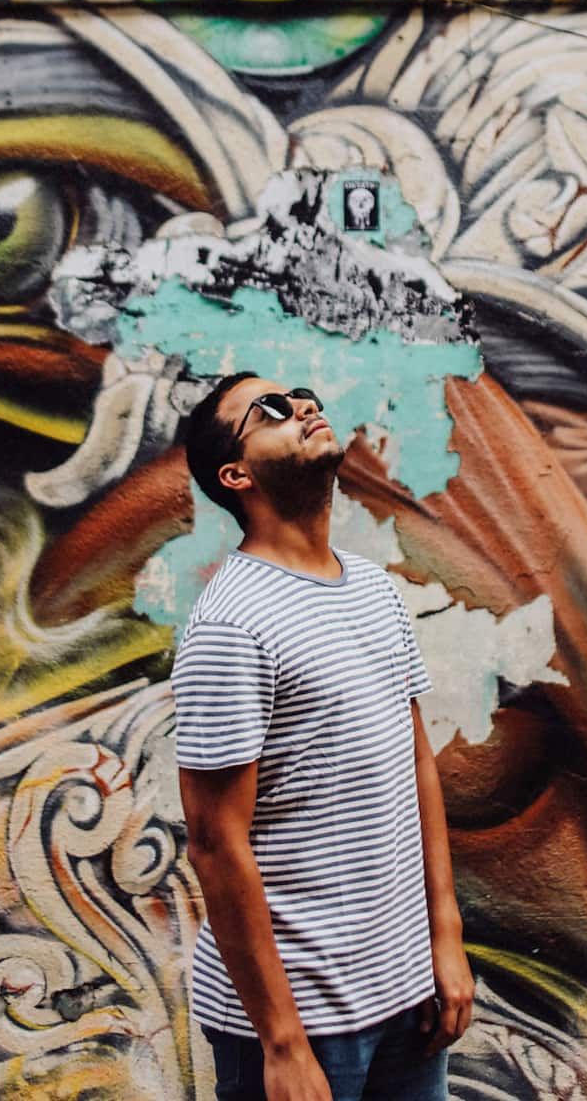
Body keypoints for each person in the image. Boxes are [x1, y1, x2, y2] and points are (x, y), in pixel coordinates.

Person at [173, 372, 474, 1100]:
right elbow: (215, 842)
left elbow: (416, 765)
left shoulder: (372, 590)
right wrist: (281, 1043)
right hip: (300, 1022)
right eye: (270, 410)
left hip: (407, 997)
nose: (302, 407)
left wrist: (446, 939)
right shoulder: (229, 624)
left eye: (302, 394)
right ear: (235, 474)